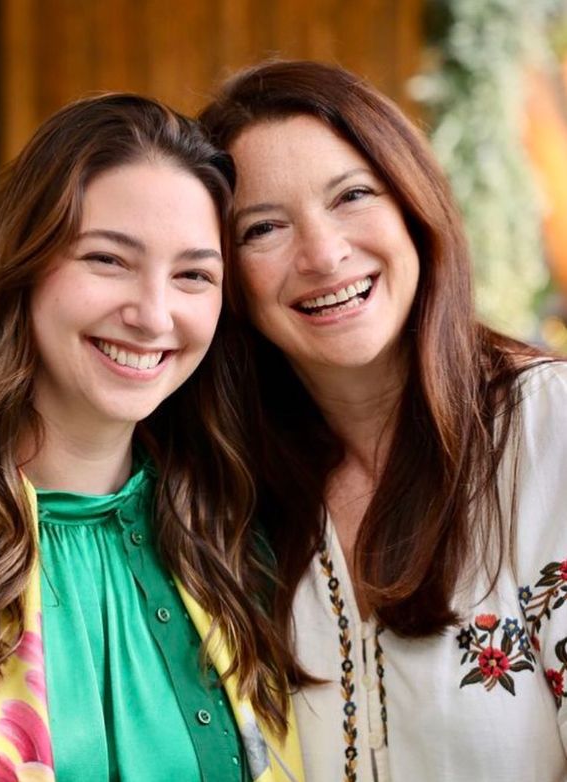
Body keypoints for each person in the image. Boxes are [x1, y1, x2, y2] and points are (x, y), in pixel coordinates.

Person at [0, 93, 303, 782]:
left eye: (194, 274)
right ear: (22, 265)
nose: (154, 314)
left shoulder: (240, 545)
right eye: (108, 259)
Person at [199, 60, 567, 782]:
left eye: (353, 196)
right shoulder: (220, 487)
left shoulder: (545, 427)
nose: (323, 254)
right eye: (264, 227)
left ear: (414, 206)